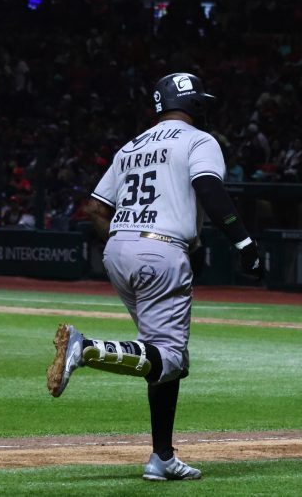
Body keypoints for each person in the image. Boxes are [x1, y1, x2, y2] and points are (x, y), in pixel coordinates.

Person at [45, 72, 263, 482]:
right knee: (172, 357)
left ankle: (162, 456)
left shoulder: (131, 146)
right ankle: (86, 348)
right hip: (160, 249)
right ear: (196, 104)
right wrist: (244, 243)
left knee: (160, 355)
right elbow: (209, 190)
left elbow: (94, 209)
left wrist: (127, 243)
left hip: (118, 249)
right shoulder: (200, 140)